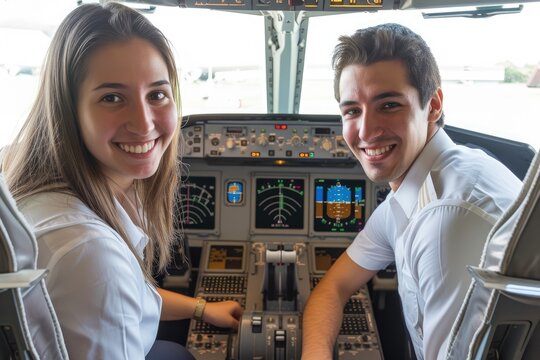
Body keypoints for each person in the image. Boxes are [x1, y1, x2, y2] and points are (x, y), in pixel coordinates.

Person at [1, 2, 242, 359]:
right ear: (68, 110)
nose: (144, 124)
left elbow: (129, 293)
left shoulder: (28, 172)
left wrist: (201, 308)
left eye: (157, 94)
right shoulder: (90, 254)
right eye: (112, 98)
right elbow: (108, 283)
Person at [301, 23, 522, 360]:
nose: (366, 131)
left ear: (432, 105)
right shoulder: (411, 195)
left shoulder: (447, 217)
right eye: (352, 111)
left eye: (388, 105)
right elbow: (333, 287)